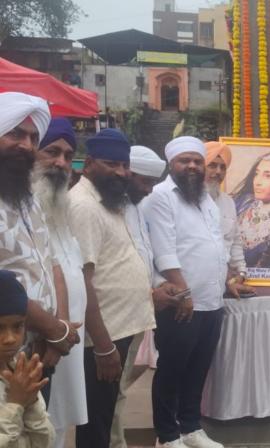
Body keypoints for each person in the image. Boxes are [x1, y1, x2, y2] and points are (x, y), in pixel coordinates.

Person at [143, 136, 237, 448]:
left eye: (197, 161)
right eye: (186, 161)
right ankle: (167, 435)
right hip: (180, 302)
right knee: (172, 368)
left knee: (198, 368)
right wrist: (183, 293)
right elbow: (164, 250)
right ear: (172, 164)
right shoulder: (160, 197)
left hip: (211, 301)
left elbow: (216, 245)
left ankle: (191, 428)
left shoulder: (205, 198)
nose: (193, 166)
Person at [68, 128, 156, 448]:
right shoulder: (84, 206)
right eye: (111, 164)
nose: (121, 172)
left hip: (120, 327)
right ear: (89, 163)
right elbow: (82, 279)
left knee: (104, 414)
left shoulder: (108, 199)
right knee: (96, 420)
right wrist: (103, 346)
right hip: (102, 336)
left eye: (124, 165)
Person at [0, 92, 81, 399]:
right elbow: (5, 286)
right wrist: (55, 330)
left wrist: (57, 329)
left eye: (34, 137)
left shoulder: (27, 196)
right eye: (15, 133)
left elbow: (52, 264)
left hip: (38, 352)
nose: (26, 145)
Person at [109, 145, 175, 448]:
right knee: (111, 390)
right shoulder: (107, 206)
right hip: (112, 316)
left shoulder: (135, 206)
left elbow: (144, 255)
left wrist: (159, 284)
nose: (149, 190)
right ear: (127, 174)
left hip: (136, 311)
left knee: (120, 389)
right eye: (145, 182)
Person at [30, 118, 88, 447]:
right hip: (28, 343)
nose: (61, 163)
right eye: (52, 151)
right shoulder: (19, 203)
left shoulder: (60, 209)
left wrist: (62, 328)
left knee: (56, 426)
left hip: (61, 343)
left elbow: (61, 271)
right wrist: (55, 329)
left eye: (68, 155)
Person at [0, 270, 55, 448]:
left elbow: (45, 442)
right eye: (0, 328)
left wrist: (30, 403)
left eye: (18, 326)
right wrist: (15, 404)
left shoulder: (20, 373)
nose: (10, 338)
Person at [204, 142, 254, 298]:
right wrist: (229, 280)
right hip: (197, 287)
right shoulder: (190, 201)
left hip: (223, 288)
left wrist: (240, 272)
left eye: (222, 167)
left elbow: (235, 240)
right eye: (212, 165)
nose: (218, 172)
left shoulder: (228, 202)